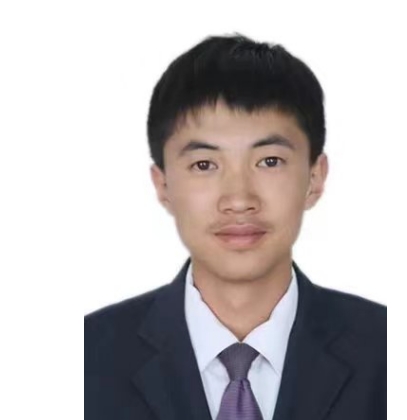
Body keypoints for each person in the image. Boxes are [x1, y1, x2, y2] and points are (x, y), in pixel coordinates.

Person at [84, 34, 387, 420]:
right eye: (204, 165)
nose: (239, 199)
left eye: (269, 161)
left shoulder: (387, 350)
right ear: (163, 185)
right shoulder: (87, 356)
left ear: (315, 178)